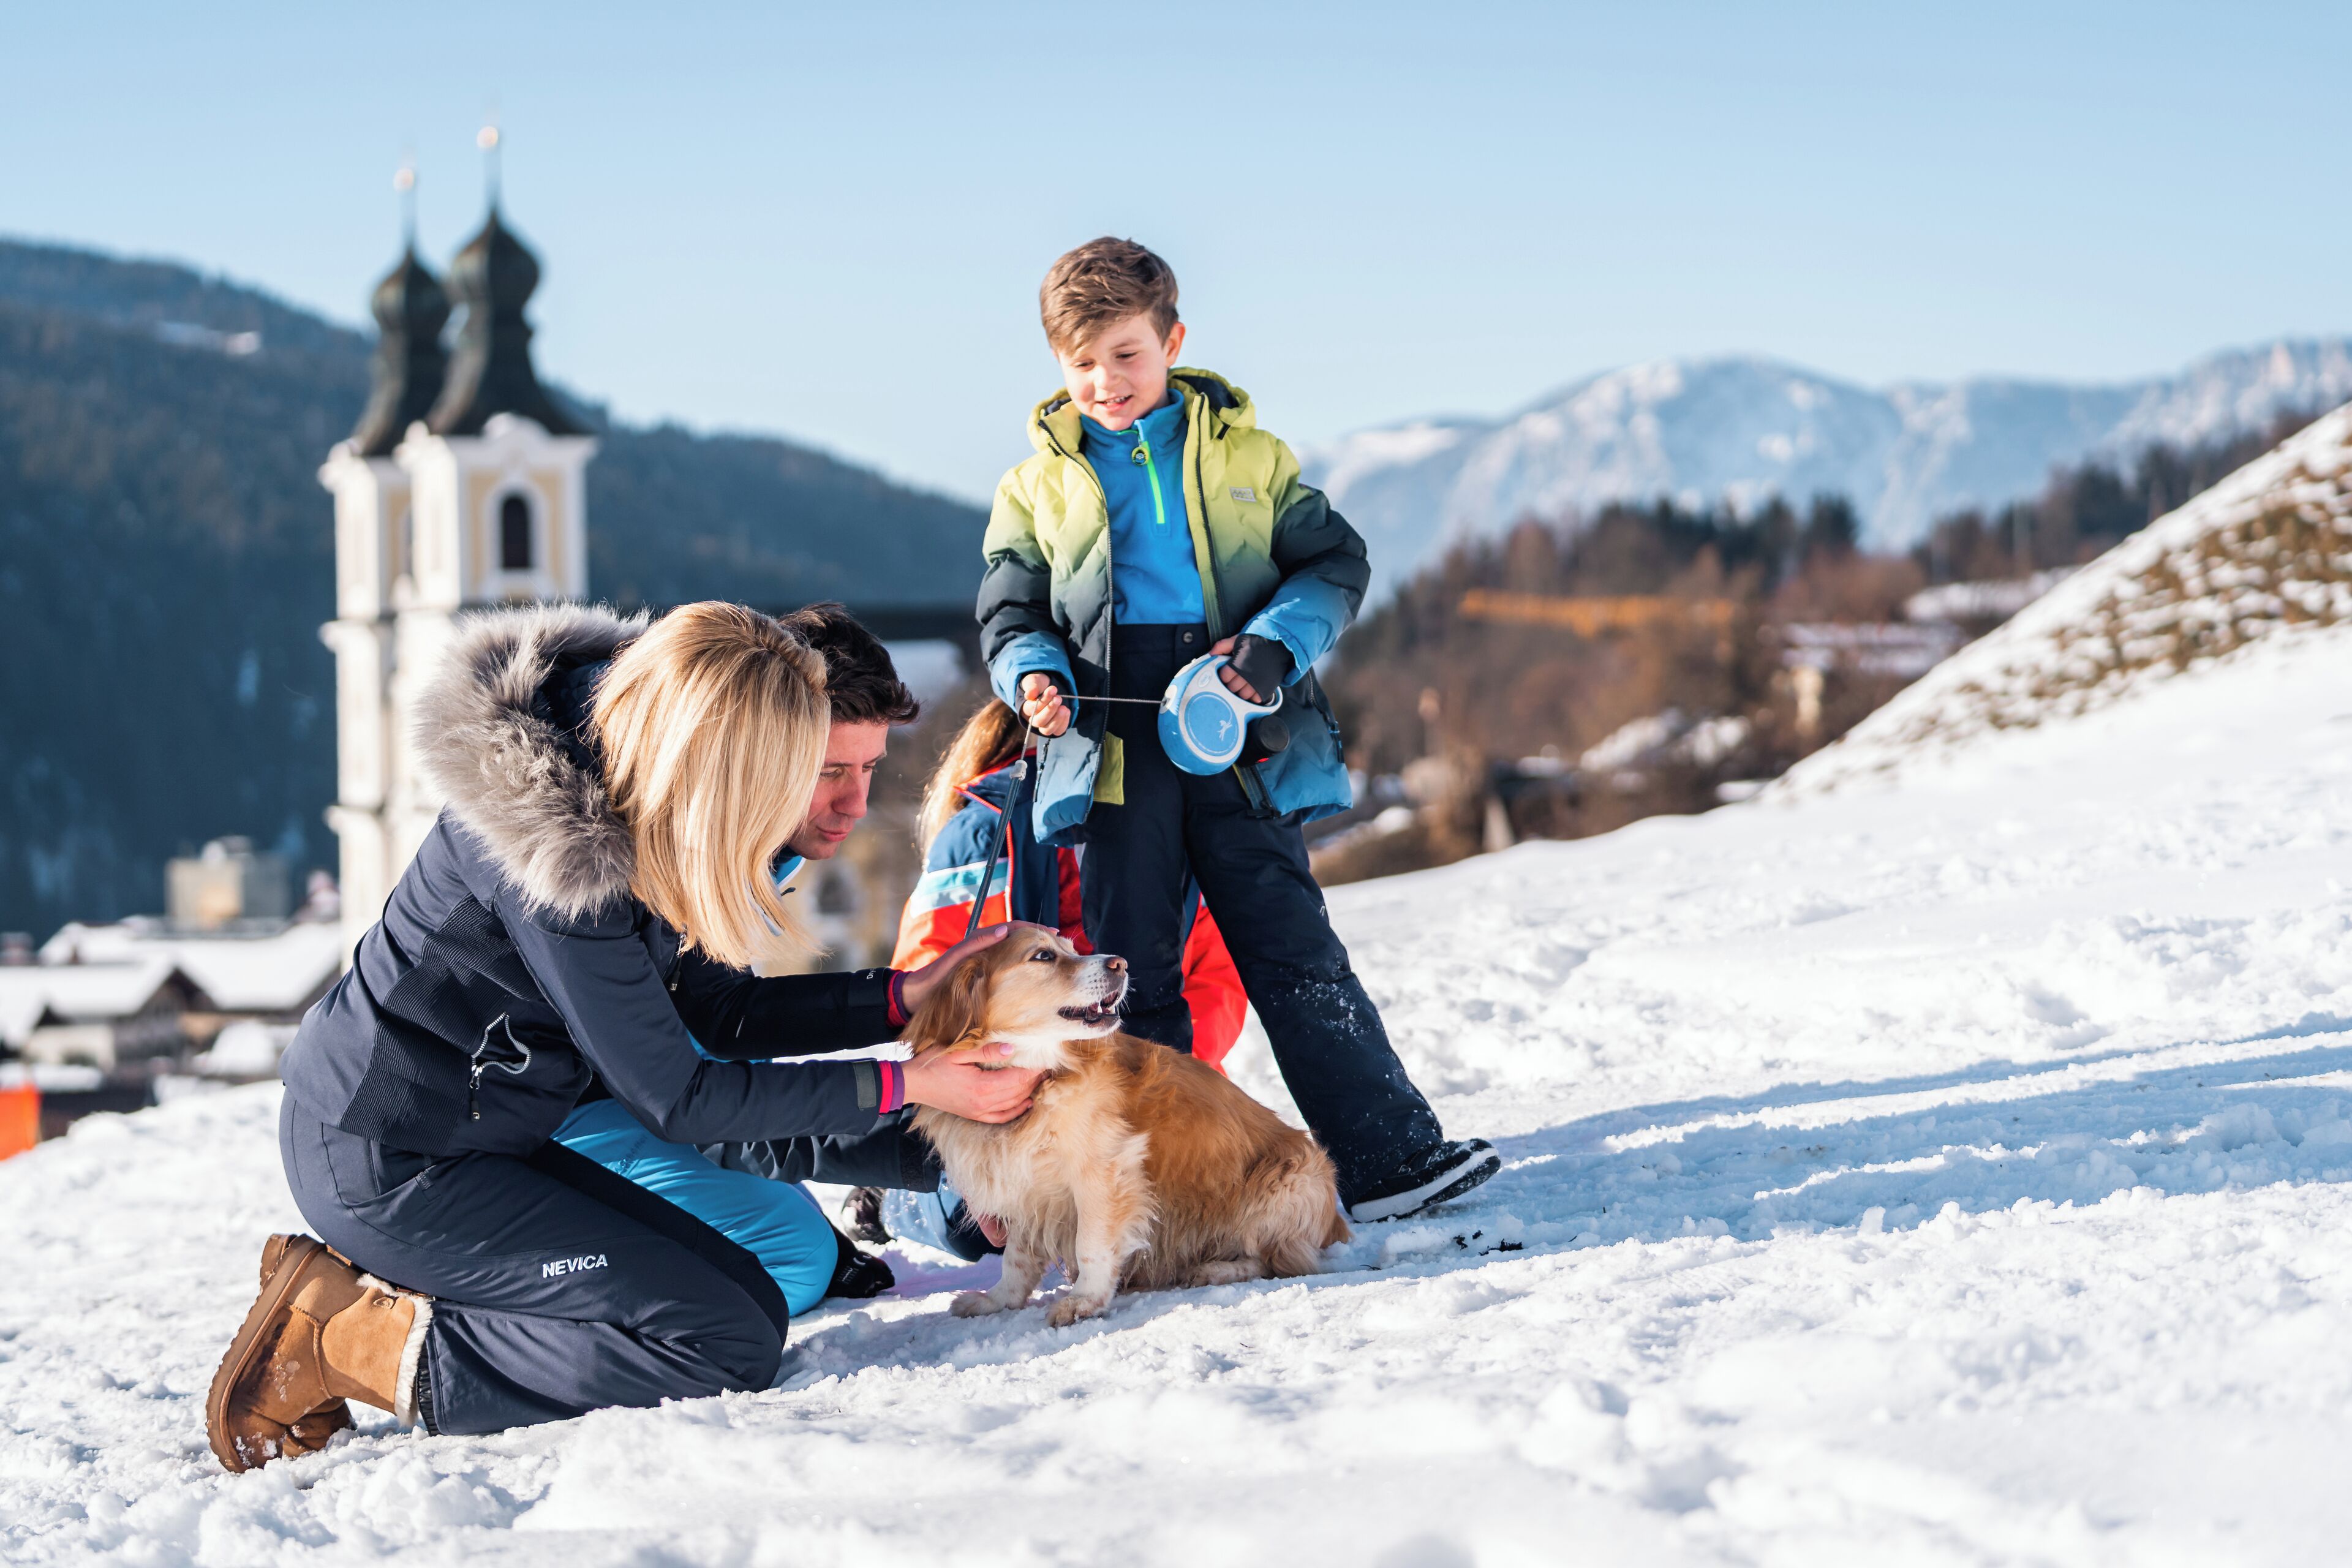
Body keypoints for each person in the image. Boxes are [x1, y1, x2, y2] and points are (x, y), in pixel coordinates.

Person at [209, 603, 1041, 1471]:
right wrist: (914, 1090)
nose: (832, 805)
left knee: (751, 1295)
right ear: (728, 755)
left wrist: (904, 996)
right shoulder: (565, 865)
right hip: (393, 1162)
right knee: (723, 1339)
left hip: (496, 1135)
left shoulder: (648, 800)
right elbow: (682, 1097)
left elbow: (719, 1016)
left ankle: (397, 1300)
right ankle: (353, 1344)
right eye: (807, 770)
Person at [979, 238, 1499, 1224]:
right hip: (1112, 746)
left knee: (1291, 945)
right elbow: (1009, 615)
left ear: (1172, 340)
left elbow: (1335, 566)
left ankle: (1390, 1163)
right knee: (1134, 971)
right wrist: (1034, 677)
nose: (1106, 381)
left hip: (1238, 731)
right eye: (1082, 362)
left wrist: (1270, 651)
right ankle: (1167, 1195)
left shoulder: (1250, 457)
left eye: (1127, 355)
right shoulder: (1031, 489)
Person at [549, 603, 935, 1313]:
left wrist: (910, 997)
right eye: (829, 771)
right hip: (540, 1120)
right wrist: (919, 1113)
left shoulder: (750, 843)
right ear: (759, 750)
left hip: (621, 1101)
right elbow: (697, 1096)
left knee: (798, 1240)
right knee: (786, 1265)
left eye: (870, 767)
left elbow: (728, 1020)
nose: (856, 803)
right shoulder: (623, 850)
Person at [845, 694, 1249, 1260]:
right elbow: (937, 986)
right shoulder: (983, 832)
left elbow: (1214, 987)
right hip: (1008, 1096)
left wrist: (1150, 1095)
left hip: (1140, 1089)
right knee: (984, 1224)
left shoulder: (1164, 832)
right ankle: (887, 1202)